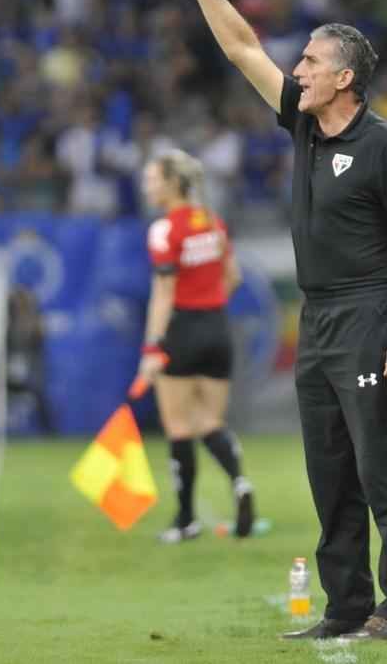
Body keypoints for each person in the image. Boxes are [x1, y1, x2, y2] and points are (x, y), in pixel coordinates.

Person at [142, 0, 387, 641]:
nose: (296, 69)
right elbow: (242, 45)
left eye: (309, 61)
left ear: (344, 79)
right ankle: (344, 606)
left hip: (373, 313)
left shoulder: (383, 146)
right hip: (320, 316)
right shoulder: (306, 125)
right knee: (330, 472)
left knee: (382, 467)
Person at [133, 149, 256, 542]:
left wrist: (153, 346)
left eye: (152, 179)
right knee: (210, 423)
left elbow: (164, 292)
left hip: (182, 330)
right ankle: (239, 482)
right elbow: (233, 277)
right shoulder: (214, 225)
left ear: (172, 183)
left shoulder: (164, 229)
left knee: (180, 427)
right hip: (218, 328)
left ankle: (186, 519)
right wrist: (209, 303)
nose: (147, 186)